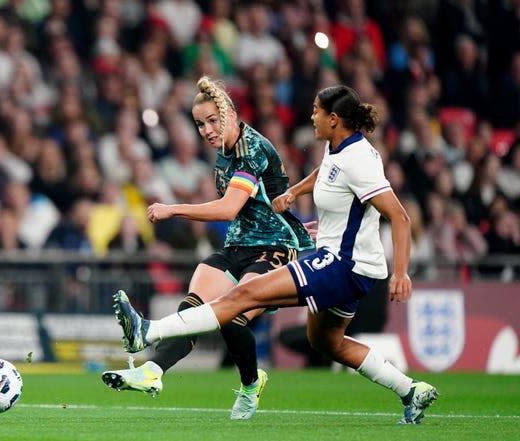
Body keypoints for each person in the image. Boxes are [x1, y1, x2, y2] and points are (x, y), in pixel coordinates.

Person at [113, 85, 438, 425]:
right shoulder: (339, 148)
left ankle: (148, 331)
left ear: (334, 118)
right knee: (326, 342)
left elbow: (400, 217)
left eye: (315, 110)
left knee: (242, 296)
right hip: (337, 261)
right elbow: (327, 174)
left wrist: (400, 273)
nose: (310, 116)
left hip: (341, 265)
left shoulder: (357, 159)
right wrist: (295, 192)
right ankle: (411, 390)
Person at [101, 75, 314, 420]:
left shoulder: (250, 150)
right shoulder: (224, 156)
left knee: (231, 318)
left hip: (272, 249)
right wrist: (297, 223)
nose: (207, 130)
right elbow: (263, 202)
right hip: (237, 246)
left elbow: (229, 208)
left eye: (212, 121)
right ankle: (151, 372)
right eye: (199, 124)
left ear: (229, 112)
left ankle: (249, 385)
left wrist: (173, 208)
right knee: (194, 309)